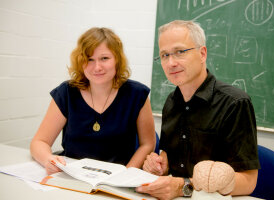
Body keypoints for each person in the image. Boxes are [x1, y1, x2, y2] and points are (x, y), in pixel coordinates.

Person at [136, 20, 260, 199]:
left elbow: (249, 182)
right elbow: (169, 156)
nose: (171, 63)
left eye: (180, 52)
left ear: (202, 54)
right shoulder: (171, 102)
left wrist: (183, 186)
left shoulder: (235, 103)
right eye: (164, 55)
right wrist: (159, 165)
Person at [30, 27, 156, 175]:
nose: (97, 67)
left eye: (104, 58)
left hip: (117, 178)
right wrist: (48, 160)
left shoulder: (137, 94)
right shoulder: (66, 92)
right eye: (89, 59)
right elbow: (39, 142)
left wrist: (126, 174)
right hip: (72, 177)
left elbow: (147, 144)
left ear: (117, 60)